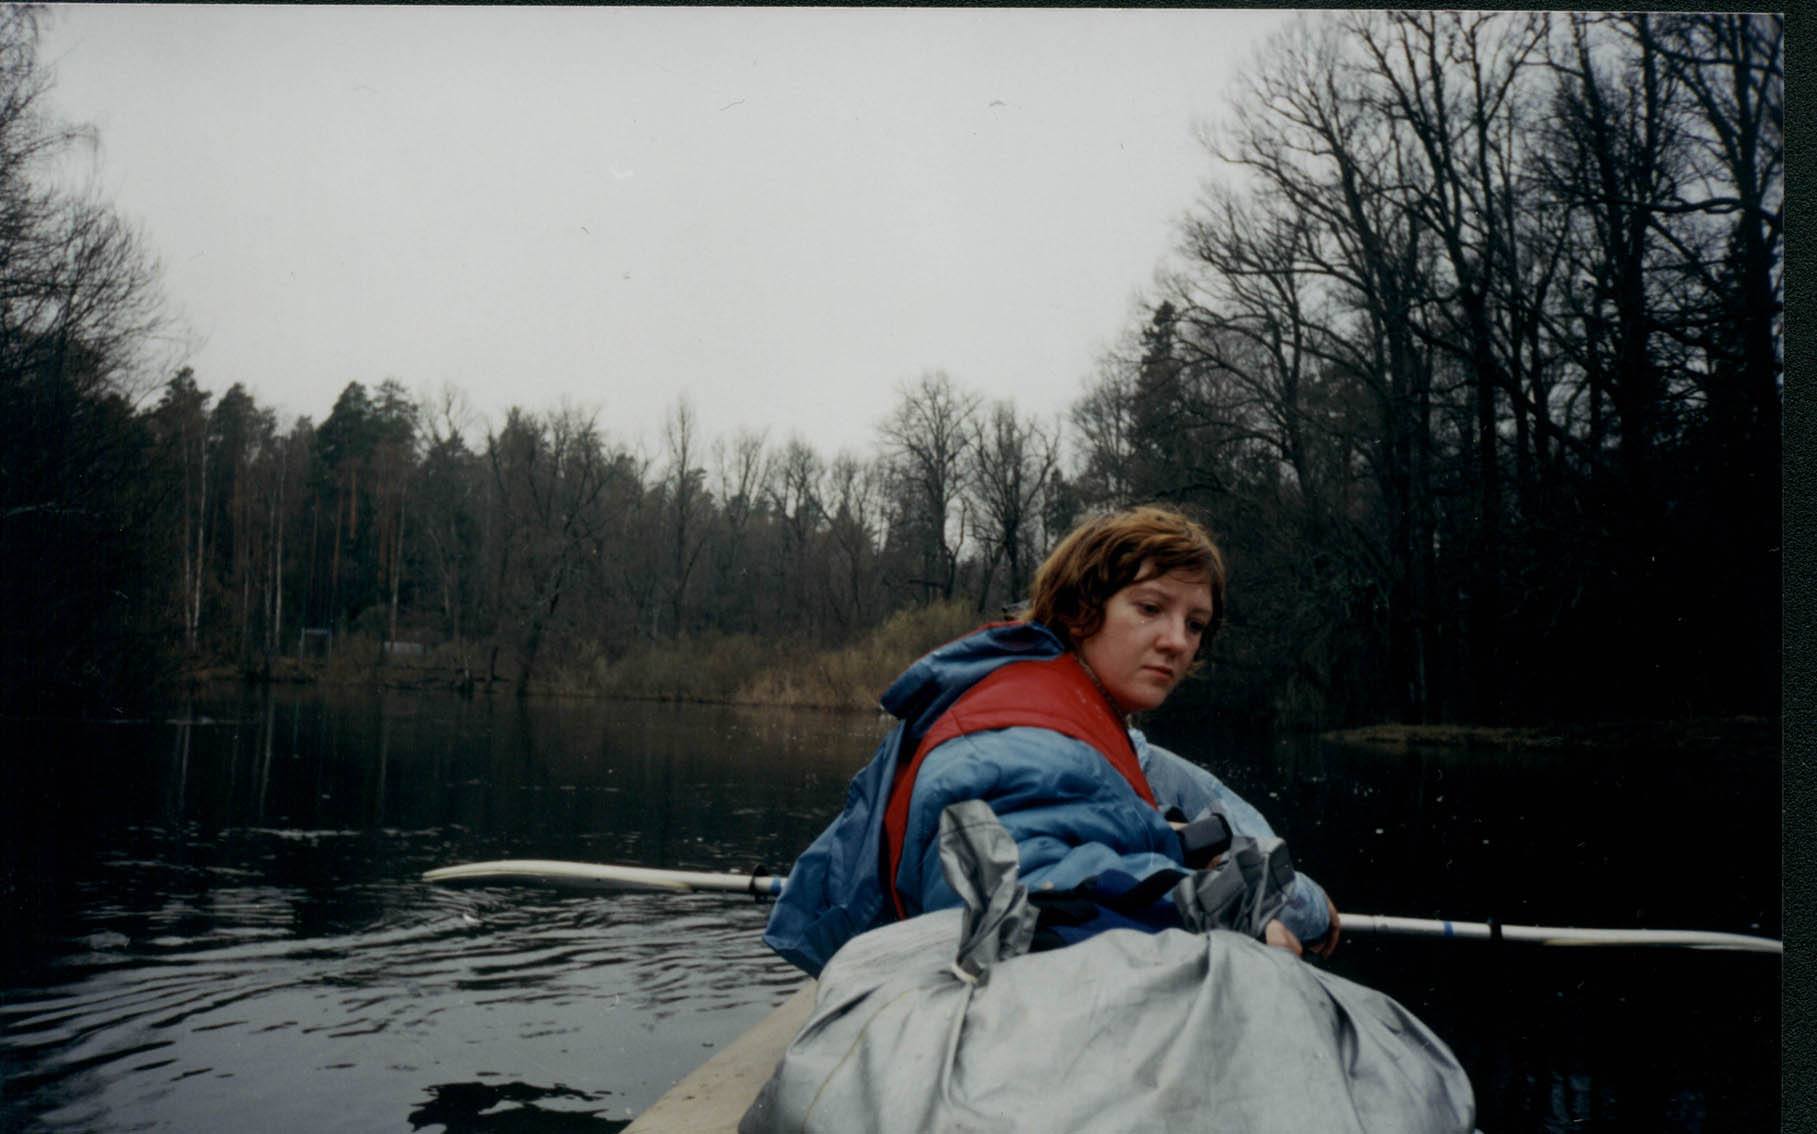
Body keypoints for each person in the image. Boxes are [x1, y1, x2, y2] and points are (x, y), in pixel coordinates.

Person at [763, 504, 1338, 977]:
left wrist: (1165, 844)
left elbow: (1060, 832)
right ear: (1081, 610)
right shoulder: (1025, 730)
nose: (1177, 642)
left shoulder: (1041, 701)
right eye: (1150, 608)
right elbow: (1019, 889)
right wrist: (1214, 916)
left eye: (1195, 624)